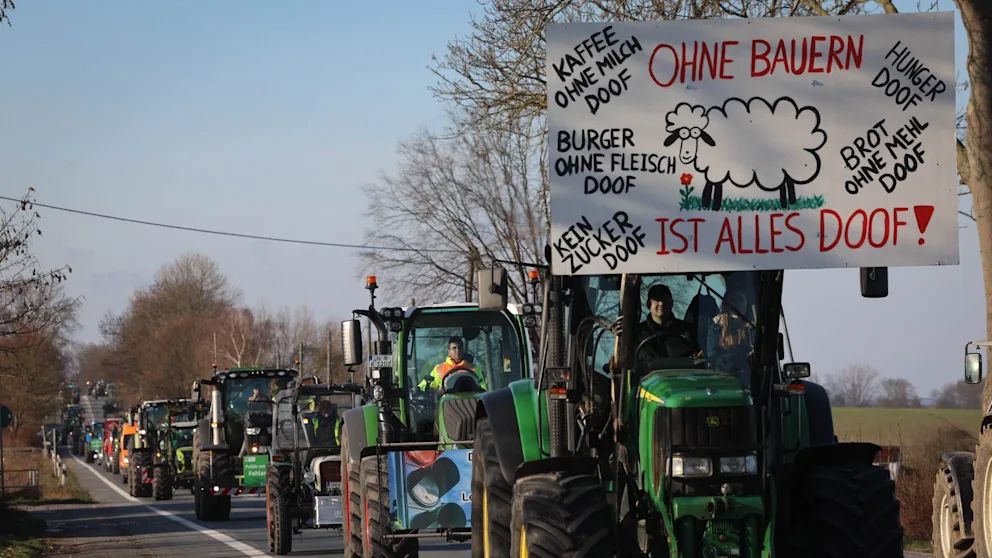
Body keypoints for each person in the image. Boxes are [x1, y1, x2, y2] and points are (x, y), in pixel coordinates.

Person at [636, 284, 699, 363]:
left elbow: (697, 359)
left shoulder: (687, 331)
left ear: (672, 303)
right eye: (657, 300)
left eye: (665, 300)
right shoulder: (637, 334)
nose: (661, 303)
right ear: (649, 304)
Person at [706, 289, 755, 387]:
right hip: (722, 378)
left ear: (746, 303)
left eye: (741, 300)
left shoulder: (752, 329)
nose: (737, 304)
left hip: (748, 380)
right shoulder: (716, 327)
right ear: (727, 304)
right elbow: (712, 356)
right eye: (734, 300)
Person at [418, 337, 487, 391]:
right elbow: (424, 387)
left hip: (470, 406)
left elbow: (484, 389)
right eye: (454, 348)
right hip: (445, 406)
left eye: (460, 347)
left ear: (463, 350)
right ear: (449, 352)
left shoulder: (476, 369)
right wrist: (433, 391)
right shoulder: (439, 369)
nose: (457, 350)